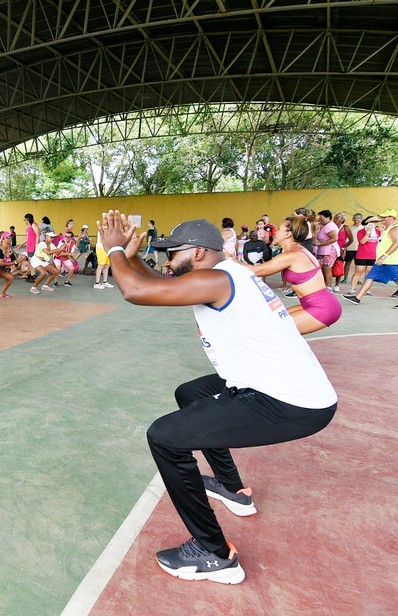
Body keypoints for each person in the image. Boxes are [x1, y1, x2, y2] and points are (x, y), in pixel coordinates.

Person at [100, 213, 337, 585]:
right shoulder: (227, 273)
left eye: (172, 252)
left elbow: (137, 292)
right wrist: (130, 257)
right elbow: (158, 281)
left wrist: (113, 249)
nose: (165, 259)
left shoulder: (216, 279)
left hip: (289, 401)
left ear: (196, 253)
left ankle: (214, 553)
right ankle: (231, 488)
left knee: (165, 438)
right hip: (270, 383)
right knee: (191, 393)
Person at [235, 216, 341, 334]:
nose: (276, 232)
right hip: (311, 303)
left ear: (288, 234)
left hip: (323, 307)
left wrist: (230, 260)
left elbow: (256, 271)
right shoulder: (295, 251)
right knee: (273, 321)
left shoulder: (293, 255)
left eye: (279, 229)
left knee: (276, 332)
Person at [343, 209, 398, 309]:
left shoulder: (395, 228)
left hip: (391, 261)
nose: (382, 219)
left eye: (385, 217)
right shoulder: (386, 228)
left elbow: (396, 243)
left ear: (392, 218)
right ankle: (357, 298)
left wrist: (385, 256)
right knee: (370, 277)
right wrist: (380, 219)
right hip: (381, 261)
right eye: (381, 217)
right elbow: (370, 222)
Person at [344, 213, 364, 284]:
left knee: (358, 265)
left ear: (361, 219)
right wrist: (345, 246)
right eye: (355, 218)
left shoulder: (364, 228)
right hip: (350, 248)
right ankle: (345, 278)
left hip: (359, 249)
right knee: (347, 263)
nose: (356, 219)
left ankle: (357, 279)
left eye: (358, 218)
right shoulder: (349, 227)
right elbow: (346, 238)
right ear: (352, 219)